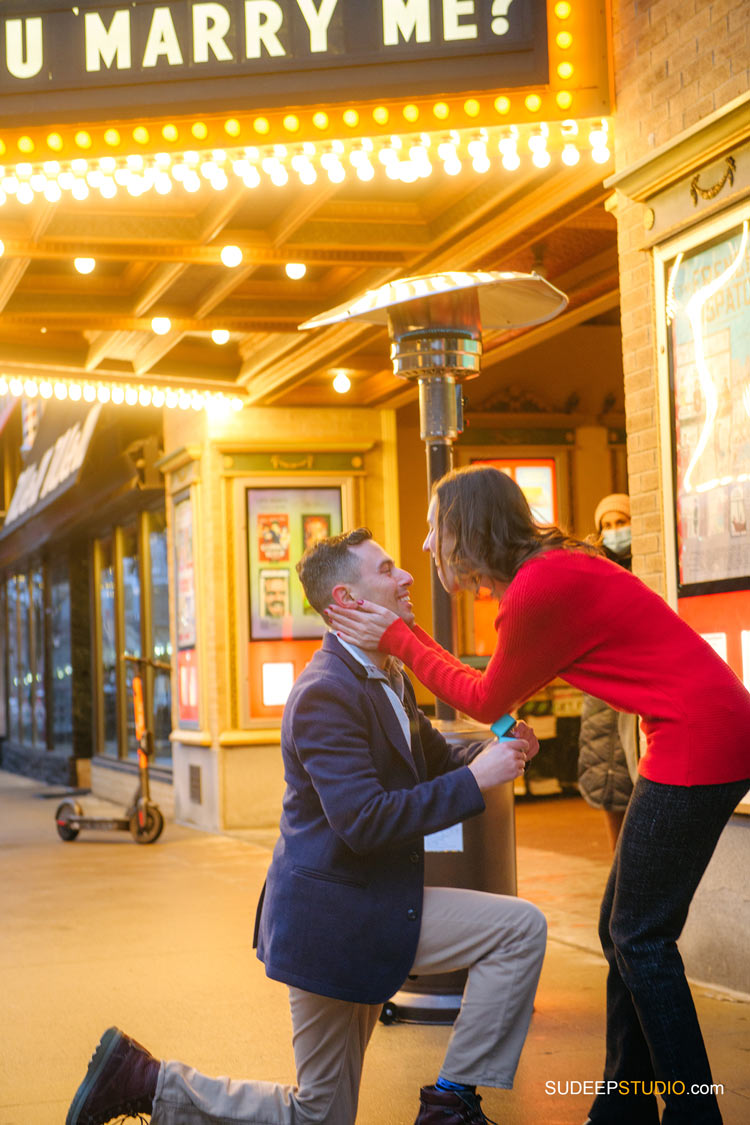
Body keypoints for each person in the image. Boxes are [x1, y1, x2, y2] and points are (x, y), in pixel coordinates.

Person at [67, 527, 546, 1125]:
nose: (405, 579)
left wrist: (500, 750)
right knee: (518, 930)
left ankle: (145, 1081)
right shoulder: (324, 693)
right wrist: (479, 782)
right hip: (336, 922)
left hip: (369, 907)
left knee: (321, 1115)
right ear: (346, 600)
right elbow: (363, 821)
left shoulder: (388, 678)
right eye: (387, 568)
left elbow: (437, 764)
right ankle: (450, 1102)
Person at [327, 466, 750, 1125]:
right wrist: (500, 723)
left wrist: (398, 637)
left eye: (435, 525)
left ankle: (694, 1114)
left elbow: (486, 693)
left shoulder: (539, 585)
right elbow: (506, 695)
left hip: (699, 736)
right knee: (625, 929)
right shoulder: (546, 574)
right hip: (700, 728)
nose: (427, 544)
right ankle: (623, 1107)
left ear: (468, 528)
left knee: (638, 935)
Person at [577, 493, 637, 850]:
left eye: (621, 522)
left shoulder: (648, 565)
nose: (615, 531)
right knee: (610, 794)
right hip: (601, 700)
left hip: (634, 695)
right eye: (608, 525)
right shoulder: (594, 571)